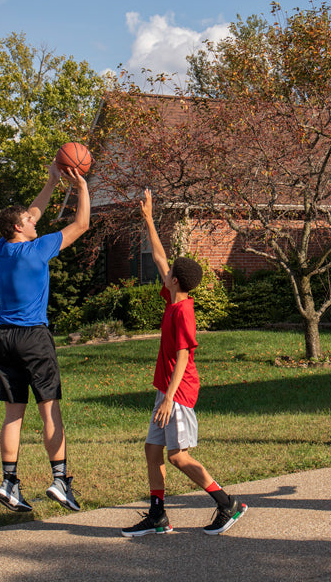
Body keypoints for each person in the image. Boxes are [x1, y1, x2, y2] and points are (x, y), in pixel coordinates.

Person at [122, 188, 248, 537]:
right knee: (152, 450)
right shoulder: (174, 296)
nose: (164, 272)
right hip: (167, 390)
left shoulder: (182, 314)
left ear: (175, 282)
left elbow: (182, 357)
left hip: (178, 393)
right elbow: (162, 258)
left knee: (178, 456)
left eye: (169, 273)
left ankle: (228, 504)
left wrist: (168, 397)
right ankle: (158, 515)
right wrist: (148, 218)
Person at [0, 159, 90, 513]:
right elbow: (82, 223)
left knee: (13, 414)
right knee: (50, 412)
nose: (36, 220)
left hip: (4, 340)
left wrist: (51, 182)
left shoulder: (2, 248)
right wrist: (80, 187)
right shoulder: (38, 249)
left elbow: (31, 211)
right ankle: (60, 481)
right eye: (30, 221)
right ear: (20, 227)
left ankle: (9, 482)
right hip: (34, 338)